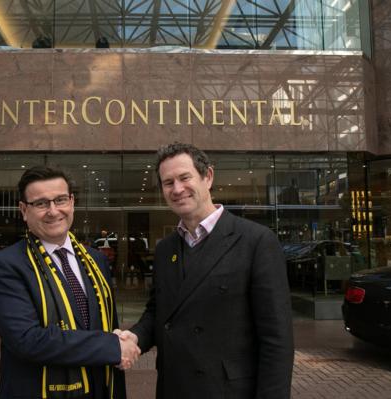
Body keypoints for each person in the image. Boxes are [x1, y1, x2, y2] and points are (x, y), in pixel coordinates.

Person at [116, 143, 294, 398]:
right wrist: (134, 338)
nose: (177, 189)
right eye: (168, 183)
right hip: (174, 388)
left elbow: (277, 340)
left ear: (207, 176)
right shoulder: (166, 248)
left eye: (184, 177)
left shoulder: (256, 241)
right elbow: (159, 312)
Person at [0, 166, 137, 398]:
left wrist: (121, 344)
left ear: (72, 202)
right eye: (41, 203)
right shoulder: (4, 266)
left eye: (60, 200)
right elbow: (27, 339)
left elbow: (105, 324)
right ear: (24, 210)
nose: (53, 211)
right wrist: (112, 346)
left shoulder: (96, 260)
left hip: (99, 387)